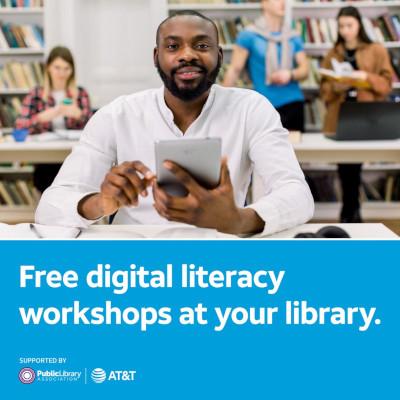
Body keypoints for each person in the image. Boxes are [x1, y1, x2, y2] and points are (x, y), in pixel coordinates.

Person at [35, 11, 314, 235]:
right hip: (134, 265)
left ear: (219, 55)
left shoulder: (251, 109)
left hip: (219, 263)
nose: (187, 54)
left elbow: (297, 194)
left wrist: (239, 220)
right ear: (156, 57)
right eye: (173, 46)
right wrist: (99, 203)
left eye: (202, 45)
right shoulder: (116, 115)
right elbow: (49, 207)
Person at [320, 6, 393, 223]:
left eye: (349, 25)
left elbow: (386, 85)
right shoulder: (333, 53)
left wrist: (365, 77)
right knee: (345, 167)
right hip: (341, 117)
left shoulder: (376, 50)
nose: (345, 31)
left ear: (359, 25)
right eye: (341, 26)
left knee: (356, 164)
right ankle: (350, 211)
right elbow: (324, 91)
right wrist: (337, 87)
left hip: (366, 116)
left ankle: (352, 210)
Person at [15, 46, 93, 193]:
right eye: (57, 68)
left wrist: (79, 115)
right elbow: (20, 126)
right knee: (46, 179)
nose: (62, 73)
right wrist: (41, 117)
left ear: (72, 70)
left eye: (66, 68)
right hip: (45, 157)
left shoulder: (80, 93)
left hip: (72, 154)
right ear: (48, 68)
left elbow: (95, 127)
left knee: (76, 179)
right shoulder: (36, 94)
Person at [222, 0, 309, 131]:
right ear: (264, 3)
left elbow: (305, 70)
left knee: (294, 150)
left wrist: (290, 74)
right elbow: (234, 69)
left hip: (294, 105)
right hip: (263, 106)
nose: (282, 3)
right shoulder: (248, 35)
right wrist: (220, 103)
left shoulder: (293, 36)